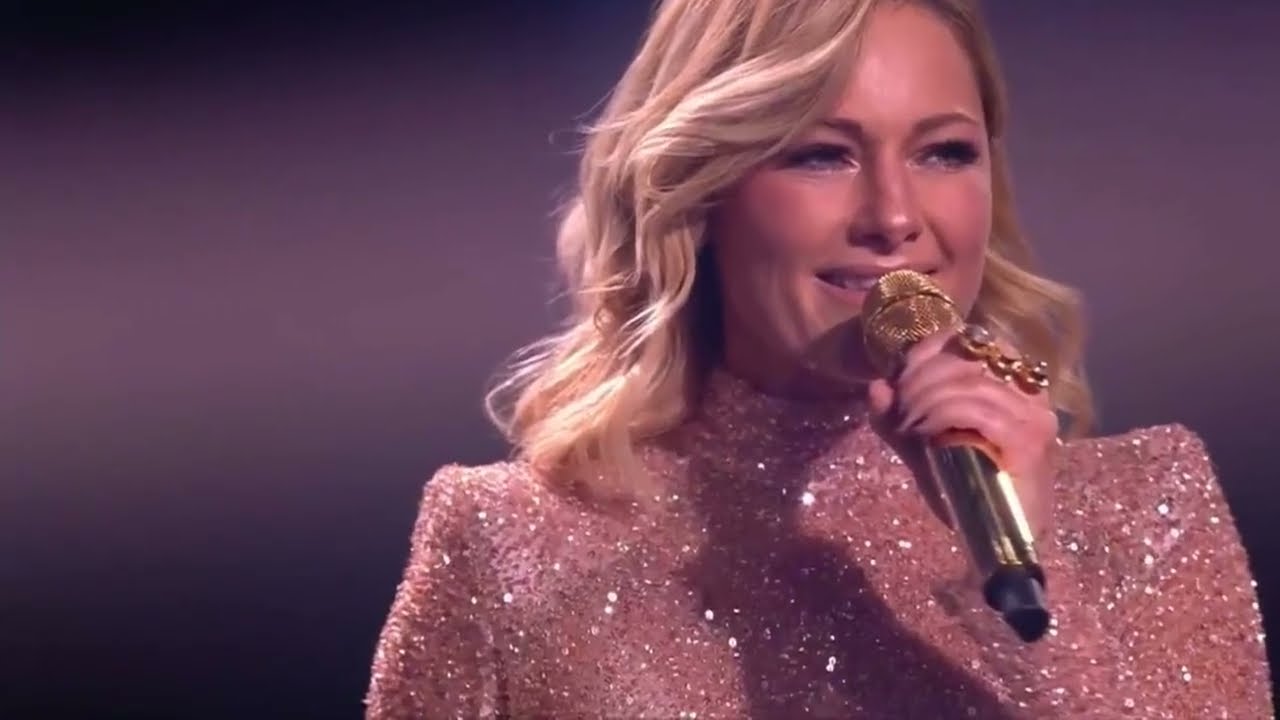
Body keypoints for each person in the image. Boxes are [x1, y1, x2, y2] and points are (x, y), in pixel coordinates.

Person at [365, 0, 1272, 717]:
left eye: (943, 152)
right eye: (822, 156)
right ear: (700, 192)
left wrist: (1025, 575)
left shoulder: (1149, 510)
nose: (894, 216)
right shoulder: (507, 541)